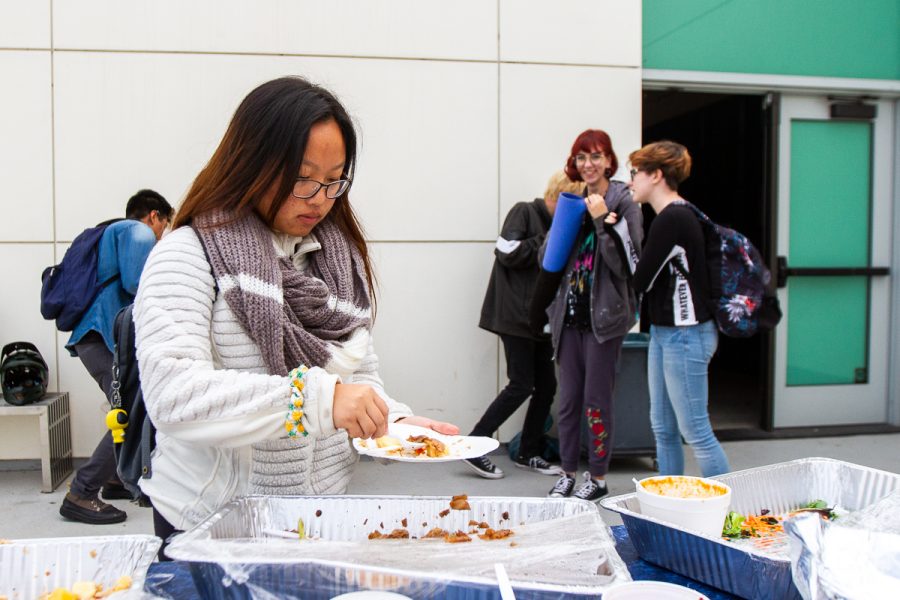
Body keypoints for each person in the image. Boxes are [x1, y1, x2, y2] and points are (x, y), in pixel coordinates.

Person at [132, 76, 458, 546]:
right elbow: (174, 395)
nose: (321, 199)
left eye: (333, 180)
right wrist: (316, 402)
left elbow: (359, 379)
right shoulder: (187, 254)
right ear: (252, 163)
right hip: (209, 523)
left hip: (319, 519)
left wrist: (393, 424)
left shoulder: (336, 261)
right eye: (303, 179)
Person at [59, 189, 173, 525]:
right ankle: (82, 492)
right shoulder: (136, 231)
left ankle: (114, 479)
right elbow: (141, 287)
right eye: (164, 225)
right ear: (154, 215)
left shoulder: (114, 235)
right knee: (129, 414)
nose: (162, 234)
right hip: (102, 339)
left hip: (95, 338)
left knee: (126, 408)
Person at [544, 129, 642, 502]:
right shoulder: (573, 200)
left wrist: (603, 221)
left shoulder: (624, 200)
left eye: (596, 157)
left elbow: (626, 265)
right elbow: (550, 261)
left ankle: (598, 477)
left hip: (604, 320)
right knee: (567, 401)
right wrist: (559, 231)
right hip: (568, 319)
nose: (588, 165)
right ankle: (567, 472)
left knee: (597, 402)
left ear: (609, 160)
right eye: (582, 158)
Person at [465, 171, 582, 479]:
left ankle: (528, 452)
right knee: (521, 383)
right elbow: (506, 252)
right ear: (556, 196)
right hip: (514, 317)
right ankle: (475, 443)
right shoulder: (525, 211)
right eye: (571, 203)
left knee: (547, 386)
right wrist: (548, 239)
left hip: (540, 320)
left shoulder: (562, 226)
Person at [628, 140, 730, 477]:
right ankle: (669, 507)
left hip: (685, 335)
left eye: (635, 173)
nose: (631, 182)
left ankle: (729, 516)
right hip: (666, 332)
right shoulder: (677, 216)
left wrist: (612, 229)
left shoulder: (673, 220)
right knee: (664, 429)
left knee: (696, 432)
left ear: (655, 175)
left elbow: (639, 279)